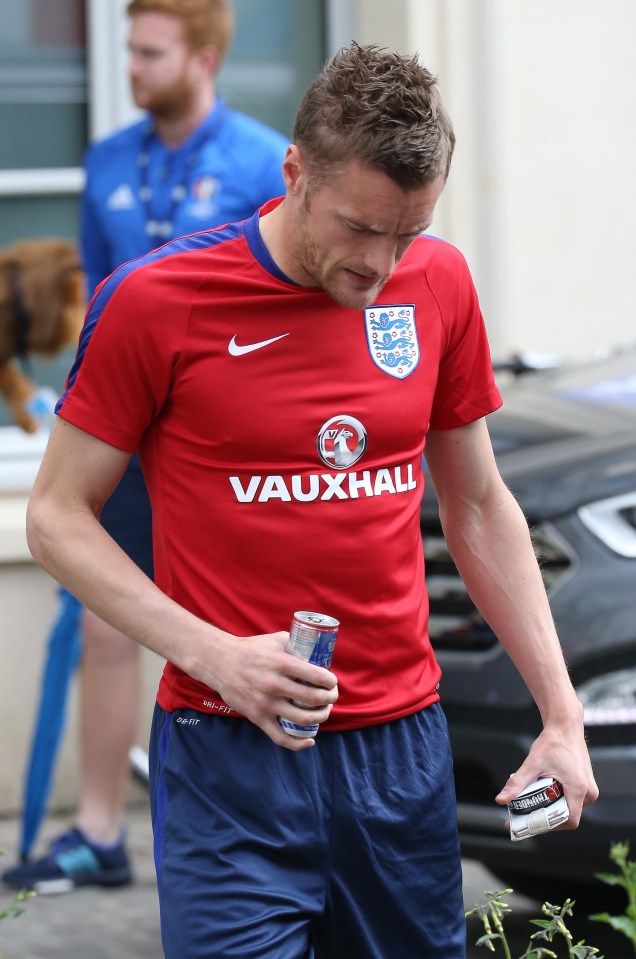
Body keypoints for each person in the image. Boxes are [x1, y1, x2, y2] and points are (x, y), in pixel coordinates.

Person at [23, 42, 598, 958]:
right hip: (228, 757)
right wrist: (215, 655)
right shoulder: (156, 302)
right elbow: (53, 518)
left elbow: (481, 504)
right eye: (359, 227)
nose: (381, 262)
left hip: (401, 758)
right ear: (294, 172)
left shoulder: (438, 283)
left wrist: (561, 717)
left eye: (406, 232)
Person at [2, 0, 287, 894]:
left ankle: (266, 826)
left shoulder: (263, 160)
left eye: (148, 51)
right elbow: (95, 308)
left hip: (232, 446)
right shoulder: (106, 162)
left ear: (203, 58)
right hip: (127, 439)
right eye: (128, 48)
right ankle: (98, 832)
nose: (128, 66)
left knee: (241, 626)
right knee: (104, 621)